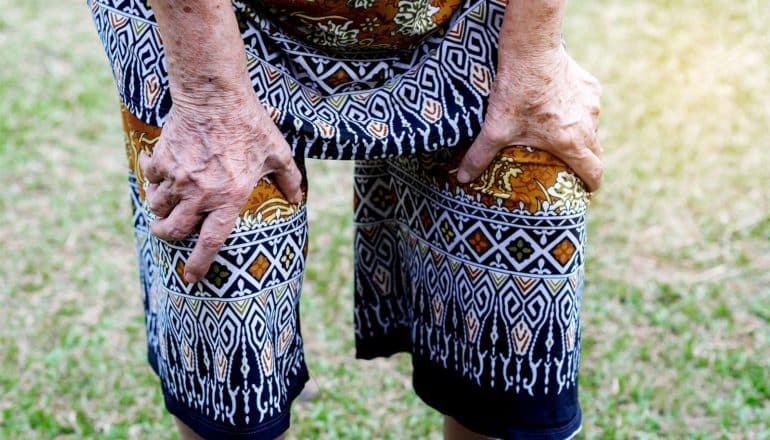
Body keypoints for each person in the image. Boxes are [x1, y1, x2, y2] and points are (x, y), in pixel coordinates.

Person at [89, 0, 602, 438]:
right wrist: (209, 96)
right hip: (205, 28)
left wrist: (535, 54)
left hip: (468, 16)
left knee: (515, 359)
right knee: (228, 320)